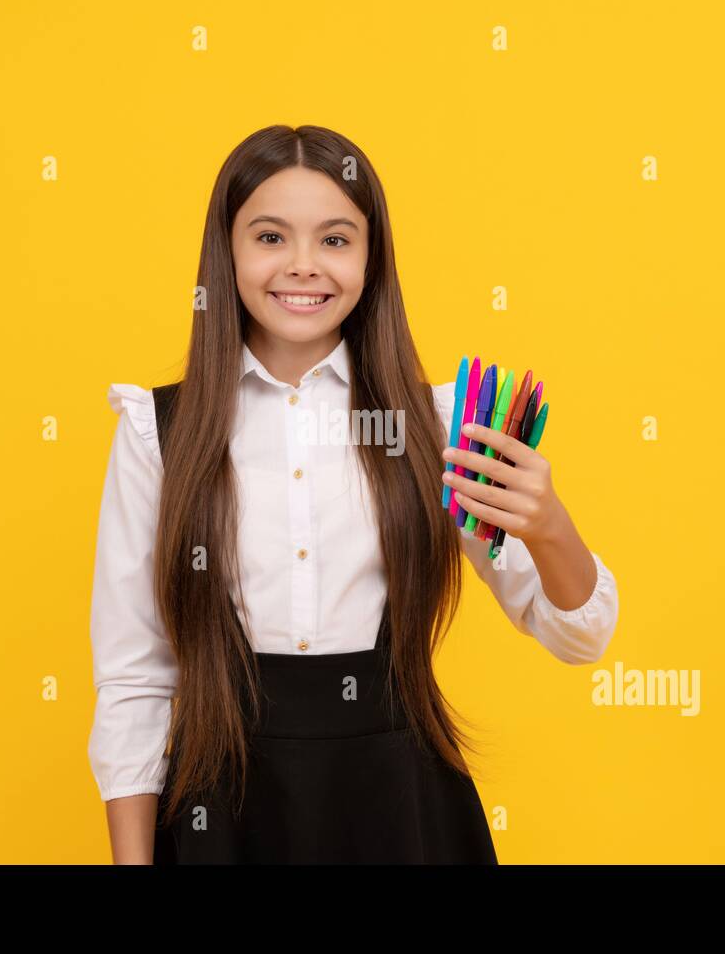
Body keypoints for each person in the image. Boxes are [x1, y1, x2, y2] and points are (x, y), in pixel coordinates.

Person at [87, 124, 619, 863]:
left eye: (336, 240)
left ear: (372, 259)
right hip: (224, 819)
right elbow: (134, 680)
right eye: (270, 237)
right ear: (227, 251)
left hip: (404, 813)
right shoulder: (157, 432)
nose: (304, 266)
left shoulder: (438, 427)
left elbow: (579, 635)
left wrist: (550, 524)